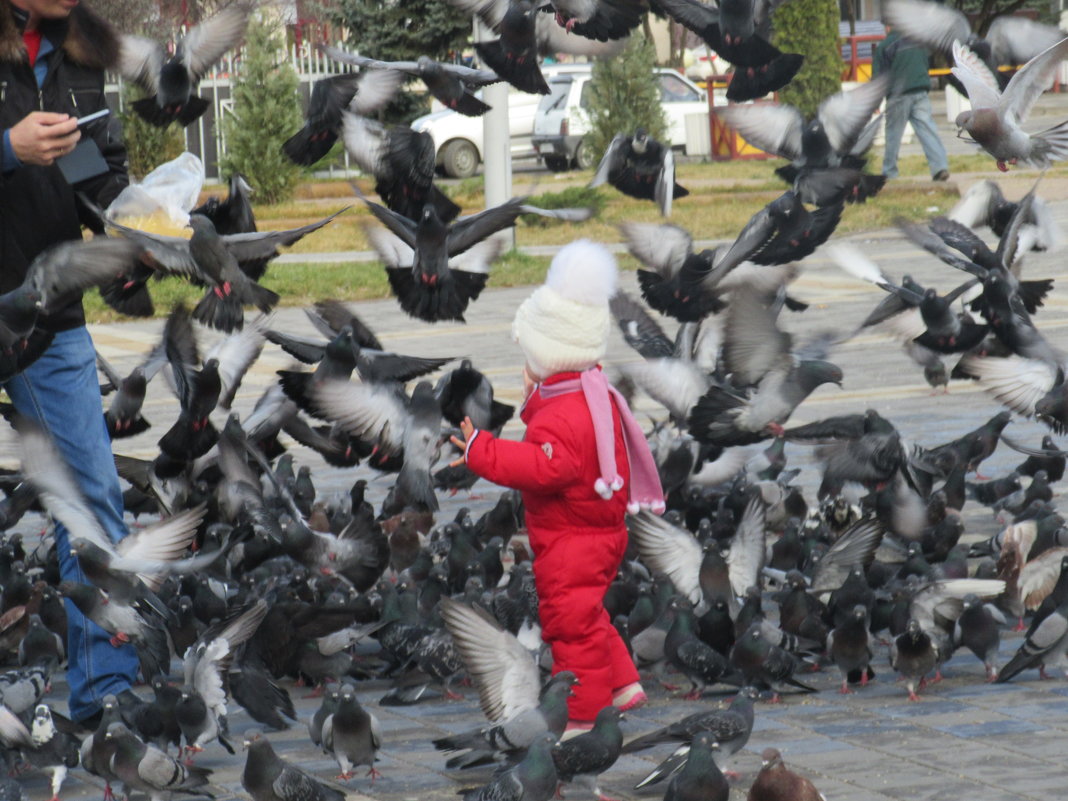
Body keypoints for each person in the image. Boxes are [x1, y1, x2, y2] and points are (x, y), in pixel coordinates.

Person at [451, 240, 665, 736]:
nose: (525, 369)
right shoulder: (588, 391)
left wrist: (482, 451)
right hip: (596, 531)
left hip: (572, 541)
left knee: (571, 630)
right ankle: (624, 684)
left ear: (552, 355)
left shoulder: (564, 413)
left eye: (530, 358)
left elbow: (542, 466)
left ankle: (584, 718)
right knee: (588, 616)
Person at [0, 0, 138, 725]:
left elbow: (98, 169)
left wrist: (140, 228)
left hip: (46, 312)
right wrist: (6, 148)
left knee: (90, 494)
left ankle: (106, 691)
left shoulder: (81, 48)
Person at [873, 25, 950, 182]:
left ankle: (889, 172)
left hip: (898, 96)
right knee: (928, 131)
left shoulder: (885, 46)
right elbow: (926, 62)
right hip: (920, 92)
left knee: (893, 135)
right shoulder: (918, 42)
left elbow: (878, 78)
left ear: (888, 27)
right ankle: (940, 167)